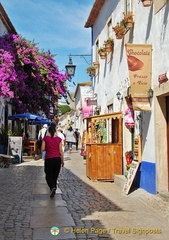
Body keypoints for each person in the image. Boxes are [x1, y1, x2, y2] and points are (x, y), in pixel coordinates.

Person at [41, 126, 64, 198]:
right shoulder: (59, 139)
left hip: (49, 158)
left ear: (48, 131)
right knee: (55, 175)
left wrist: (48, 149)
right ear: (55, 131)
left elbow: (42, 149)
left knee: (48, 174)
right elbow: (61, 151)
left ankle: (52, 187)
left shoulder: (45, 139)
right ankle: (54, 187)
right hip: (57, 159)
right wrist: (62, 160)